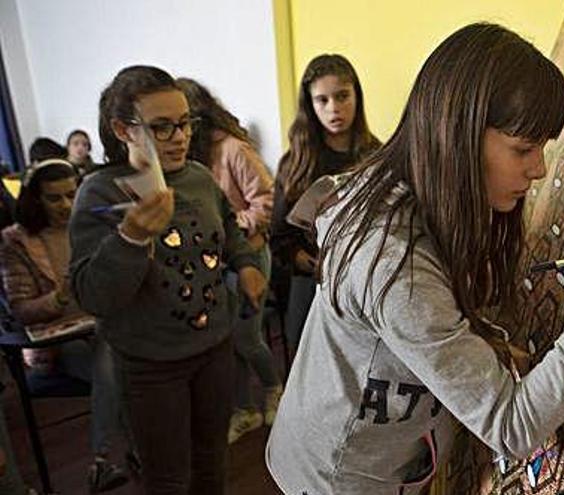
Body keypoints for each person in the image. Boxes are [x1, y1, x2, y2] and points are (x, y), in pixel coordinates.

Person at [266, 23, 564, 494]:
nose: (540, 169)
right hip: (338, 480)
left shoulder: (407, 190)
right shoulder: (396, 265)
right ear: (459, 137)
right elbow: (511, 427)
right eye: (523, 149)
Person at [69, 65, 267, 494]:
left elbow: (230, 229)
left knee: (213, 463)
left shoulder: (196, 177)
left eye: (184, 124)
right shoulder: (100, 192)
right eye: (162, 128)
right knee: (168, 478)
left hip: (214, 347)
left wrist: (247, 263)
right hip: (150, 366)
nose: (180, 137)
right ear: (123, 130)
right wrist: (132, 237)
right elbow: (92, 294)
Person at [0, 158, 129, 492]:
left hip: (101, 328)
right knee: (117, 360)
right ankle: (113, 455)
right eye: (54, 198)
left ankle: (113, 458)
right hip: (56, 346)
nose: (66, 205)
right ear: (35, 199)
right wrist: (57, 298)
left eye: (72, 194)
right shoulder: (16, 241)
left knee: (117, 352)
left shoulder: (89, 226)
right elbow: (21, 310)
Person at [177, 77, 281, 443]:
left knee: (246, 337)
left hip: (249, 254)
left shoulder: (233, 149)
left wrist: (231, 225)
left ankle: (273, 388)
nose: (178, 135)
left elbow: (267, 201)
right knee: (225, 341)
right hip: (213, 267)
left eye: (183, 123)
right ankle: (245, 409)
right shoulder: (187, 163)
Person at [271, 54, 380, 355]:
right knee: (306, 363)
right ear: (310, 105)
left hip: (364, 283)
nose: (334, 108)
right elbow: (280, 239)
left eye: (342, 96)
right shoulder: (297, 163)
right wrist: (314, 264)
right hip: (311, 284)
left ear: (357, 95)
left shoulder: (376, 155)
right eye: (323, 100)